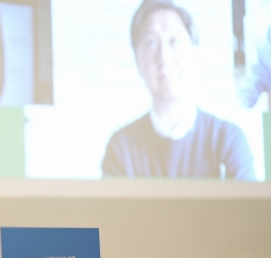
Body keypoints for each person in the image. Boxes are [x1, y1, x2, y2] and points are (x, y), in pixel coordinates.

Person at [101, 0, 256, 180]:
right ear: (137, 61)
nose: (164, 57)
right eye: (151, 43)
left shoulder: (227, 140)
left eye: (174, 41)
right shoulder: (121, 148)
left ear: (194, 52)